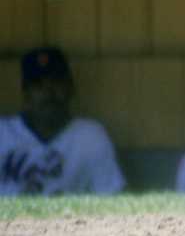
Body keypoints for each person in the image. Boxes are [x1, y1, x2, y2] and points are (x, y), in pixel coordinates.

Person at [0, 47, 125, 195]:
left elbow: (113, 196)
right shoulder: (3, 133)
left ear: (70, 88)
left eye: (56, 82)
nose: (48, 92)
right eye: (38, 85)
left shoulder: (90, 137)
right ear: (26, 93)